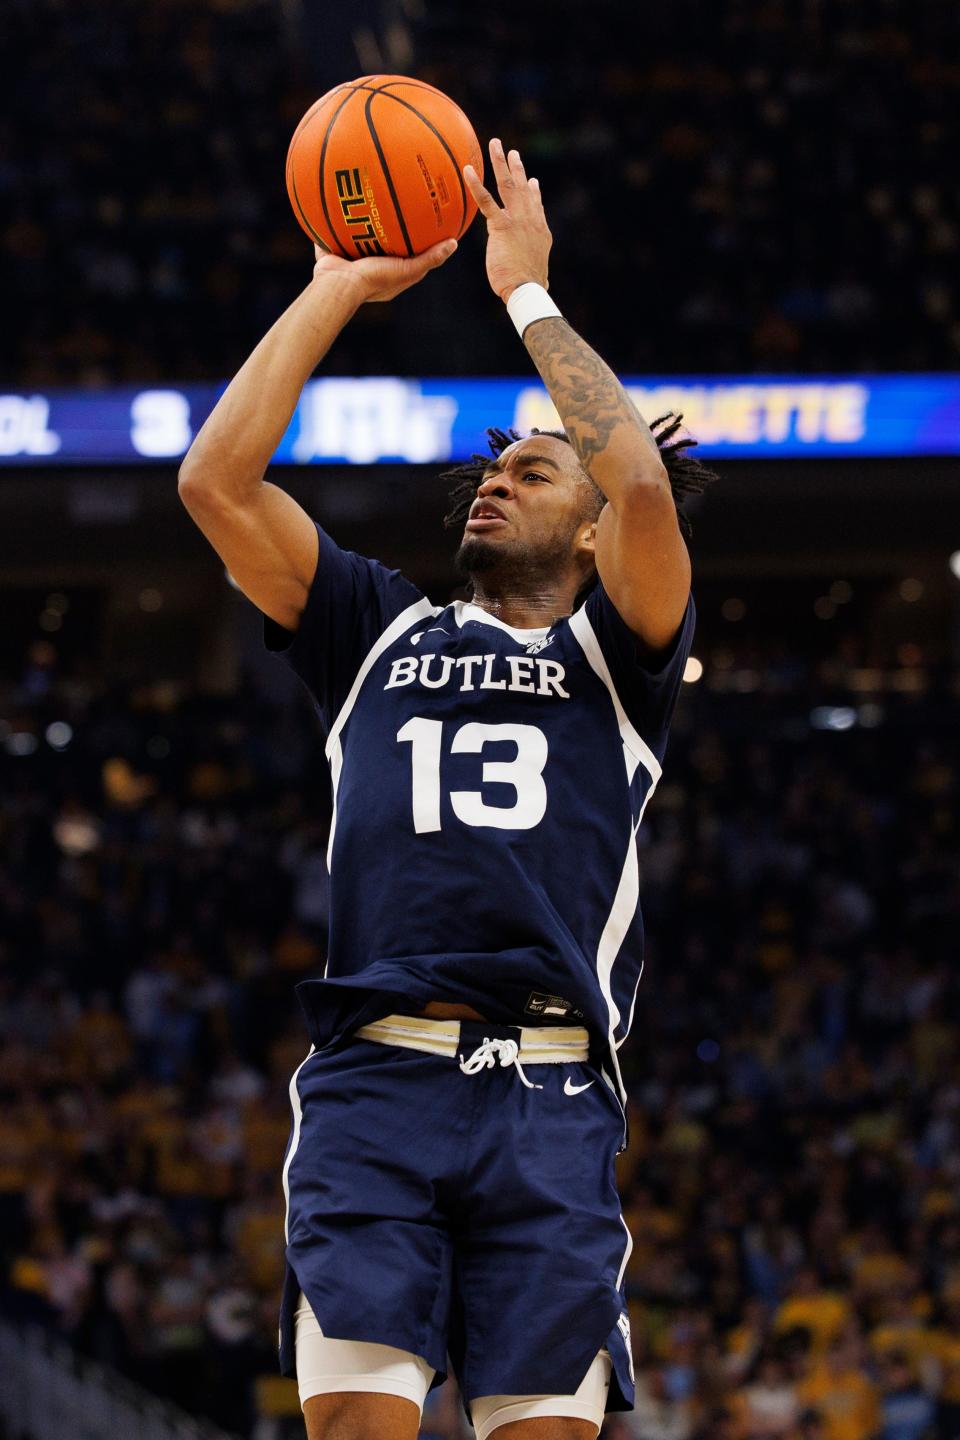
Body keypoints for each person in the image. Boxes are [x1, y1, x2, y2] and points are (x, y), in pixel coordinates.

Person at [178, 137, 716, 1440]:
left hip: (549, 1101)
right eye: (489, 466)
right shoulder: (375, 625)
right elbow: (215, 482)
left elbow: (636, 474)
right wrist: (334, 288)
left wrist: (527, 294)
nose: (494, 476)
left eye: (531, 470)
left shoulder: (618, 656)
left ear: (589, 533)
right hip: (380, 1084)